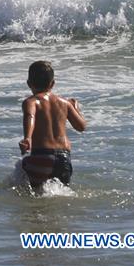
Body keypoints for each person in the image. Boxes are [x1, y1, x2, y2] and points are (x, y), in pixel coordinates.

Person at [19, 60, 87, 188]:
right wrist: (75, 108)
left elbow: (30, 115)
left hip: (41, 155)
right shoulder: (65, 103)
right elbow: (81, 127)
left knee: (32, 195)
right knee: (60, 196)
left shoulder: (31, 102)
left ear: (29, 84)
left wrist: (27, 137)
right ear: (53, 83)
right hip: (64, 158)